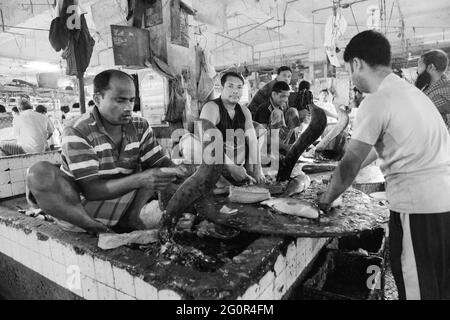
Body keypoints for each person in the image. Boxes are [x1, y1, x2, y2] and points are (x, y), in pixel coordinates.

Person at [317, 30, 450, 300]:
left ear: (357, 63)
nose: (352, 79)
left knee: (418, 291)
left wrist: (325, 199)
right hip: (441, 204)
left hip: (418, 209)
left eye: (349, 70)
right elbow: (381, 148)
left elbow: (350, 162)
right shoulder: (411, 94)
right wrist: (342, 175)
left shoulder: (377, 100)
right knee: (438, 287)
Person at [26, 69, 181, 234]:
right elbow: (91, 191)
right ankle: (96, 228)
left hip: (121, 209)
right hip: (81, 213)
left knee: (157, 170)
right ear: (98, 99)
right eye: (120, 101)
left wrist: (183, 172)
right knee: (38, 173)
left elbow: (160, 162)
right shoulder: (78, 130)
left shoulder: (140, 126)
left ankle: (131, 219)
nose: (128, 107)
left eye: (131, 100)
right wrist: (140, 179)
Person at [180, 71, 266, 184]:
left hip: (233, 155)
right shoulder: (211, 108)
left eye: (239, 87)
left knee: (259, 131)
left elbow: (253, 140)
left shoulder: (244, 111)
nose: (235, 91)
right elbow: (209, 143)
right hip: (211, 160)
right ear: (221, 88)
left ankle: (248, 173)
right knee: (188, 140)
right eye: (230, 86)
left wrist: (258, 170)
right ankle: (218, 181)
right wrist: (232, 168)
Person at [416, 49, 450, 132]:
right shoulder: (432, 87)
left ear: (431, 67)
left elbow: (420, 112)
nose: (417, 71)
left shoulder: (444, 91)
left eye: (420, 65)